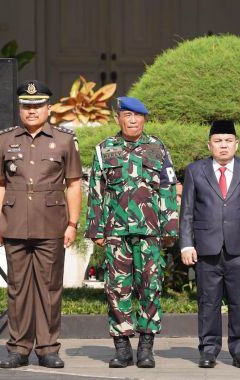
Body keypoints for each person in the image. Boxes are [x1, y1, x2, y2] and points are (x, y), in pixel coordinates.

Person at [0, 80, 82, 369]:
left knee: (49, 288)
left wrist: (72, 223)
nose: (32, 111)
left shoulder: (65, 140)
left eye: (37, 105)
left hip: (52, 224)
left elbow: (74, 184)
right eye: (27, 106)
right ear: (20, 108)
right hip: (14, 223)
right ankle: (18, 348)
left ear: (48, 108)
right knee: (18, 288)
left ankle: (47, 348)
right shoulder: (4, 140)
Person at [85, 97, 178, 369]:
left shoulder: (157, 148)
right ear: (119, 119)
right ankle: (122, 347)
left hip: (150, 233)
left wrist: (170, 227)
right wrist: (95, 228)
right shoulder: (104, 149)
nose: (133, 120)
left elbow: (167, 189)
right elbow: (96, 191)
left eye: (138, 116)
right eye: (127, 115)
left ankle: (146, 347)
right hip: (115, 233)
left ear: (145, 119)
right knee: (117, 289)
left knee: (150, 288)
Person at [179, 120, 240, 369]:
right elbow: (187, 211)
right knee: (208, 302)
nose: (224, 146)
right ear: (209, 145)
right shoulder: (196, 171)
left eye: (228, 141)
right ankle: (208, 350)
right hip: (206, 248)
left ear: (237, 144)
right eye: (218, 141)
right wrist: (187, 244)